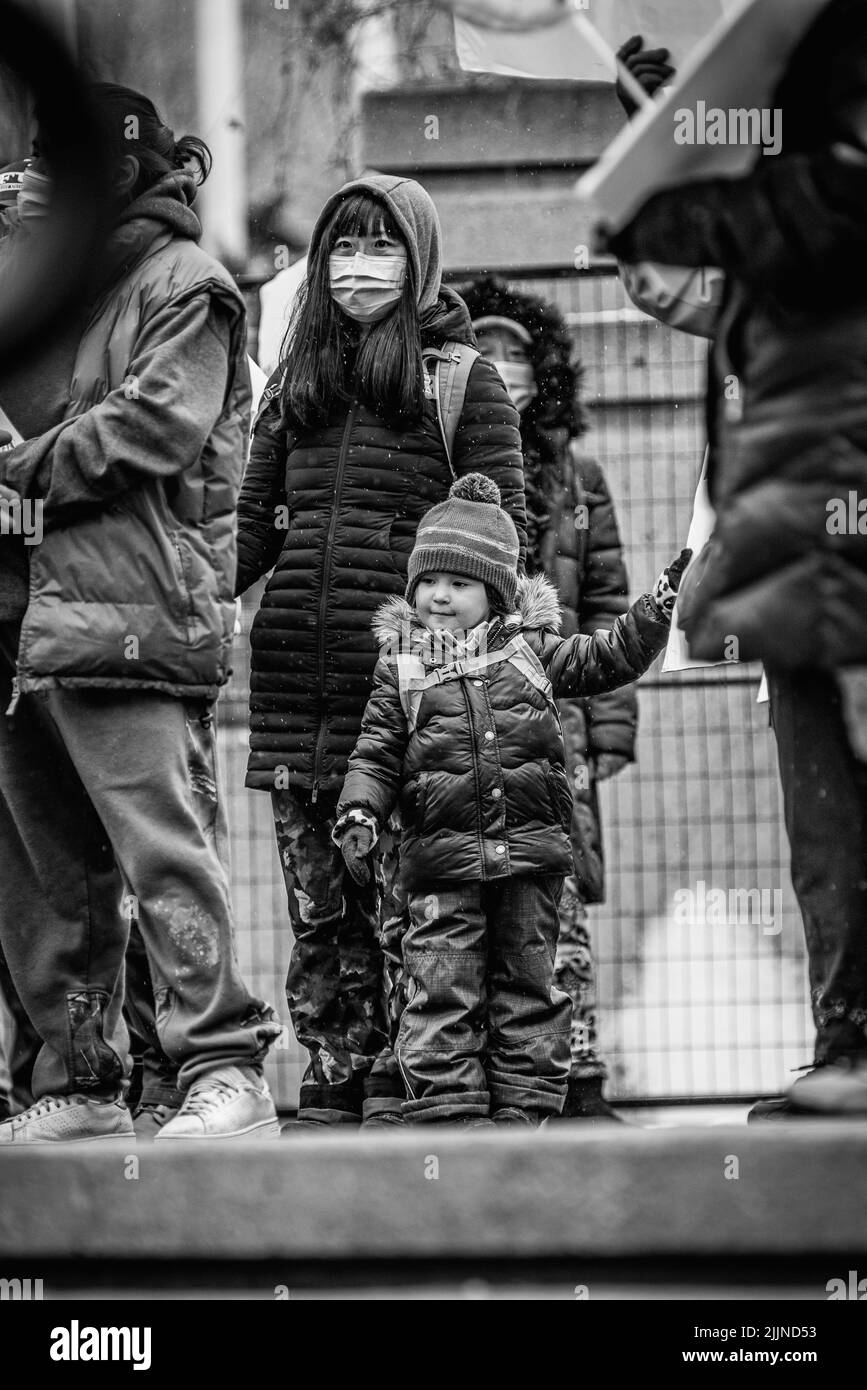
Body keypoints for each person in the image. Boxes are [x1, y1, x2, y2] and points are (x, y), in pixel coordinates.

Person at [0, 84, 281, 1146]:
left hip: (133, 611)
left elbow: (152, 430)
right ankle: (75, 1081)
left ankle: (225, 1066)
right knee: (44, 874)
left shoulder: (186, 283)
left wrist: (15, 473)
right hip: (23, 619)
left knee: (162, 853)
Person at [602, 2, 867, 1117]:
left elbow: (811, 214)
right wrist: (664, 137)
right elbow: (671, 267)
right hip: (805, 552)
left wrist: (703, 154)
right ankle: (850, 1043)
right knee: (828, 822)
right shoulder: (779, 206)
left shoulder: (816, 192)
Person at [235, 174, 527, 1127]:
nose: (357, 270)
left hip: (411, 702)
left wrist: (450, 660)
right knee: (321, 913)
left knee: (416, 908)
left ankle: (415, 1086)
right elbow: (248, 527)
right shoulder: (296, 378)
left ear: (420, 258)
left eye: (381, 248)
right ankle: (333, 1077)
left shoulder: (461, 379)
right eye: (342, 250)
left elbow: (503, 540)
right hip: (290, 687)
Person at [332, 473, 689, 1125]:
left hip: (530, 860)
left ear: (494, 595)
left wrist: (654, 610)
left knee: (527, 987)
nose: (440, 595)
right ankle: (448, 1110)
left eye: (460, 583)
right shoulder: (401, 670)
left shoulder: (532, 653)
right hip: (440, 867)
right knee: (441, 986)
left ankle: (524, 1110)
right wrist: (359, 810)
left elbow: (606, 657)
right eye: (429, 581)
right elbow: (374, 754)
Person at [460, 275, 636, 1121]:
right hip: (462, 711)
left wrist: (609, 724)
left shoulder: (577, 473)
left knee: (558, 890)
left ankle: (576, 1076)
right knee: (468, 893)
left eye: (516, 352)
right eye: (483, 348)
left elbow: (608, 601)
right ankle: (487, 1081)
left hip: (559, 716)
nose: (500, 365)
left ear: (546, 369)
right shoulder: (448, 457)